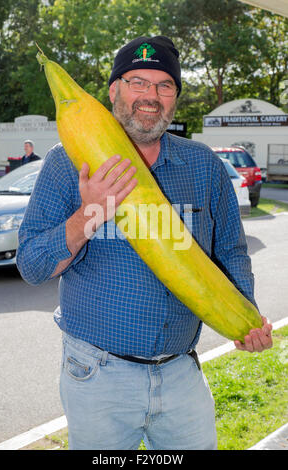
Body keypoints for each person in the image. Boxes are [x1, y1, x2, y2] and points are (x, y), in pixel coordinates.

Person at [16, 36, 273, 450]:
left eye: (164, 85)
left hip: (181, 375)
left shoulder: (203, 165)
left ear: (175, 99)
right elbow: (32, 265)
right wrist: (91, 213)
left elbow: (230, 251)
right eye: (137, 81)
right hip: (98, 377)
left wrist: (245, 315)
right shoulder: (66, 163)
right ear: (113, 90)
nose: (150, 96)